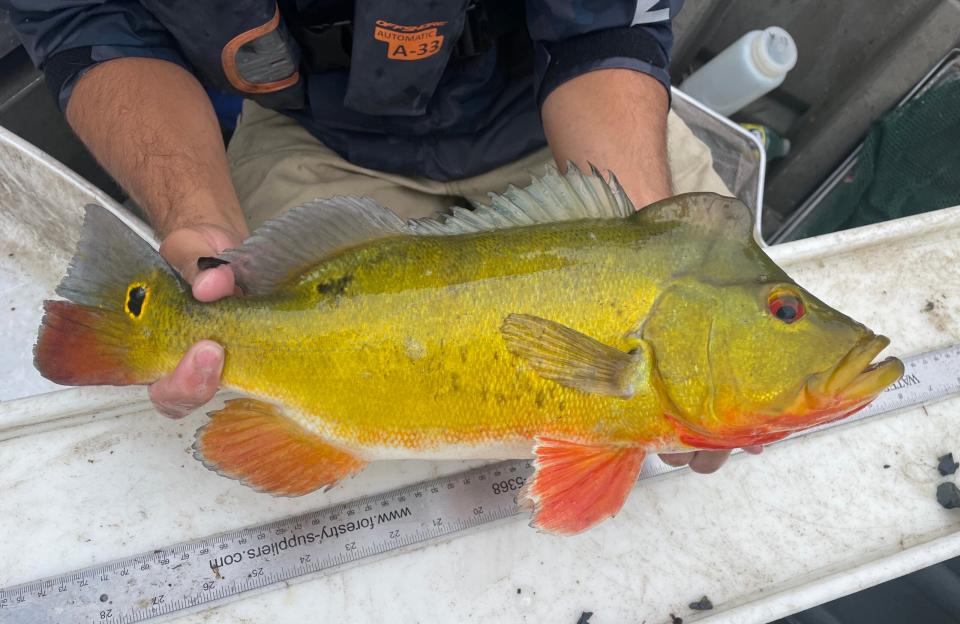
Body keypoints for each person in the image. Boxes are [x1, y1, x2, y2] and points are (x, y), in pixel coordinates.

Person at [5, 0, 759, 472]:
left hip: (558, 118)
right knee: (310, 453)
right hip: (311, 136)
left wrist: (645, 259)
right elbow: (86, 18)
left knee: (719, 437)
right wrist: (196, 220)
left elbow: (606, 22)